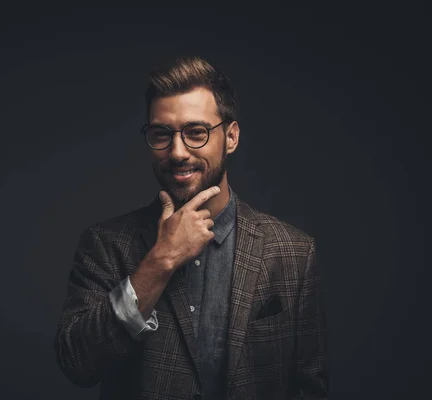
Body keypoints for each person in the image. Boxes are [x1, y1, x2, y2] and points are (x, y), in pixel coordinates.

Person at [54, 56, 328, 400]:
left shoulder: (294, 252)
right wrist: (160, 261)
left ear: (230, 137)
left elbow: (310, 388)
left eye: (196, 133)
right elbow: (77, 363)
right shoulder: (105, 244)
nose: (178, 152)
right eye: (161, 134)